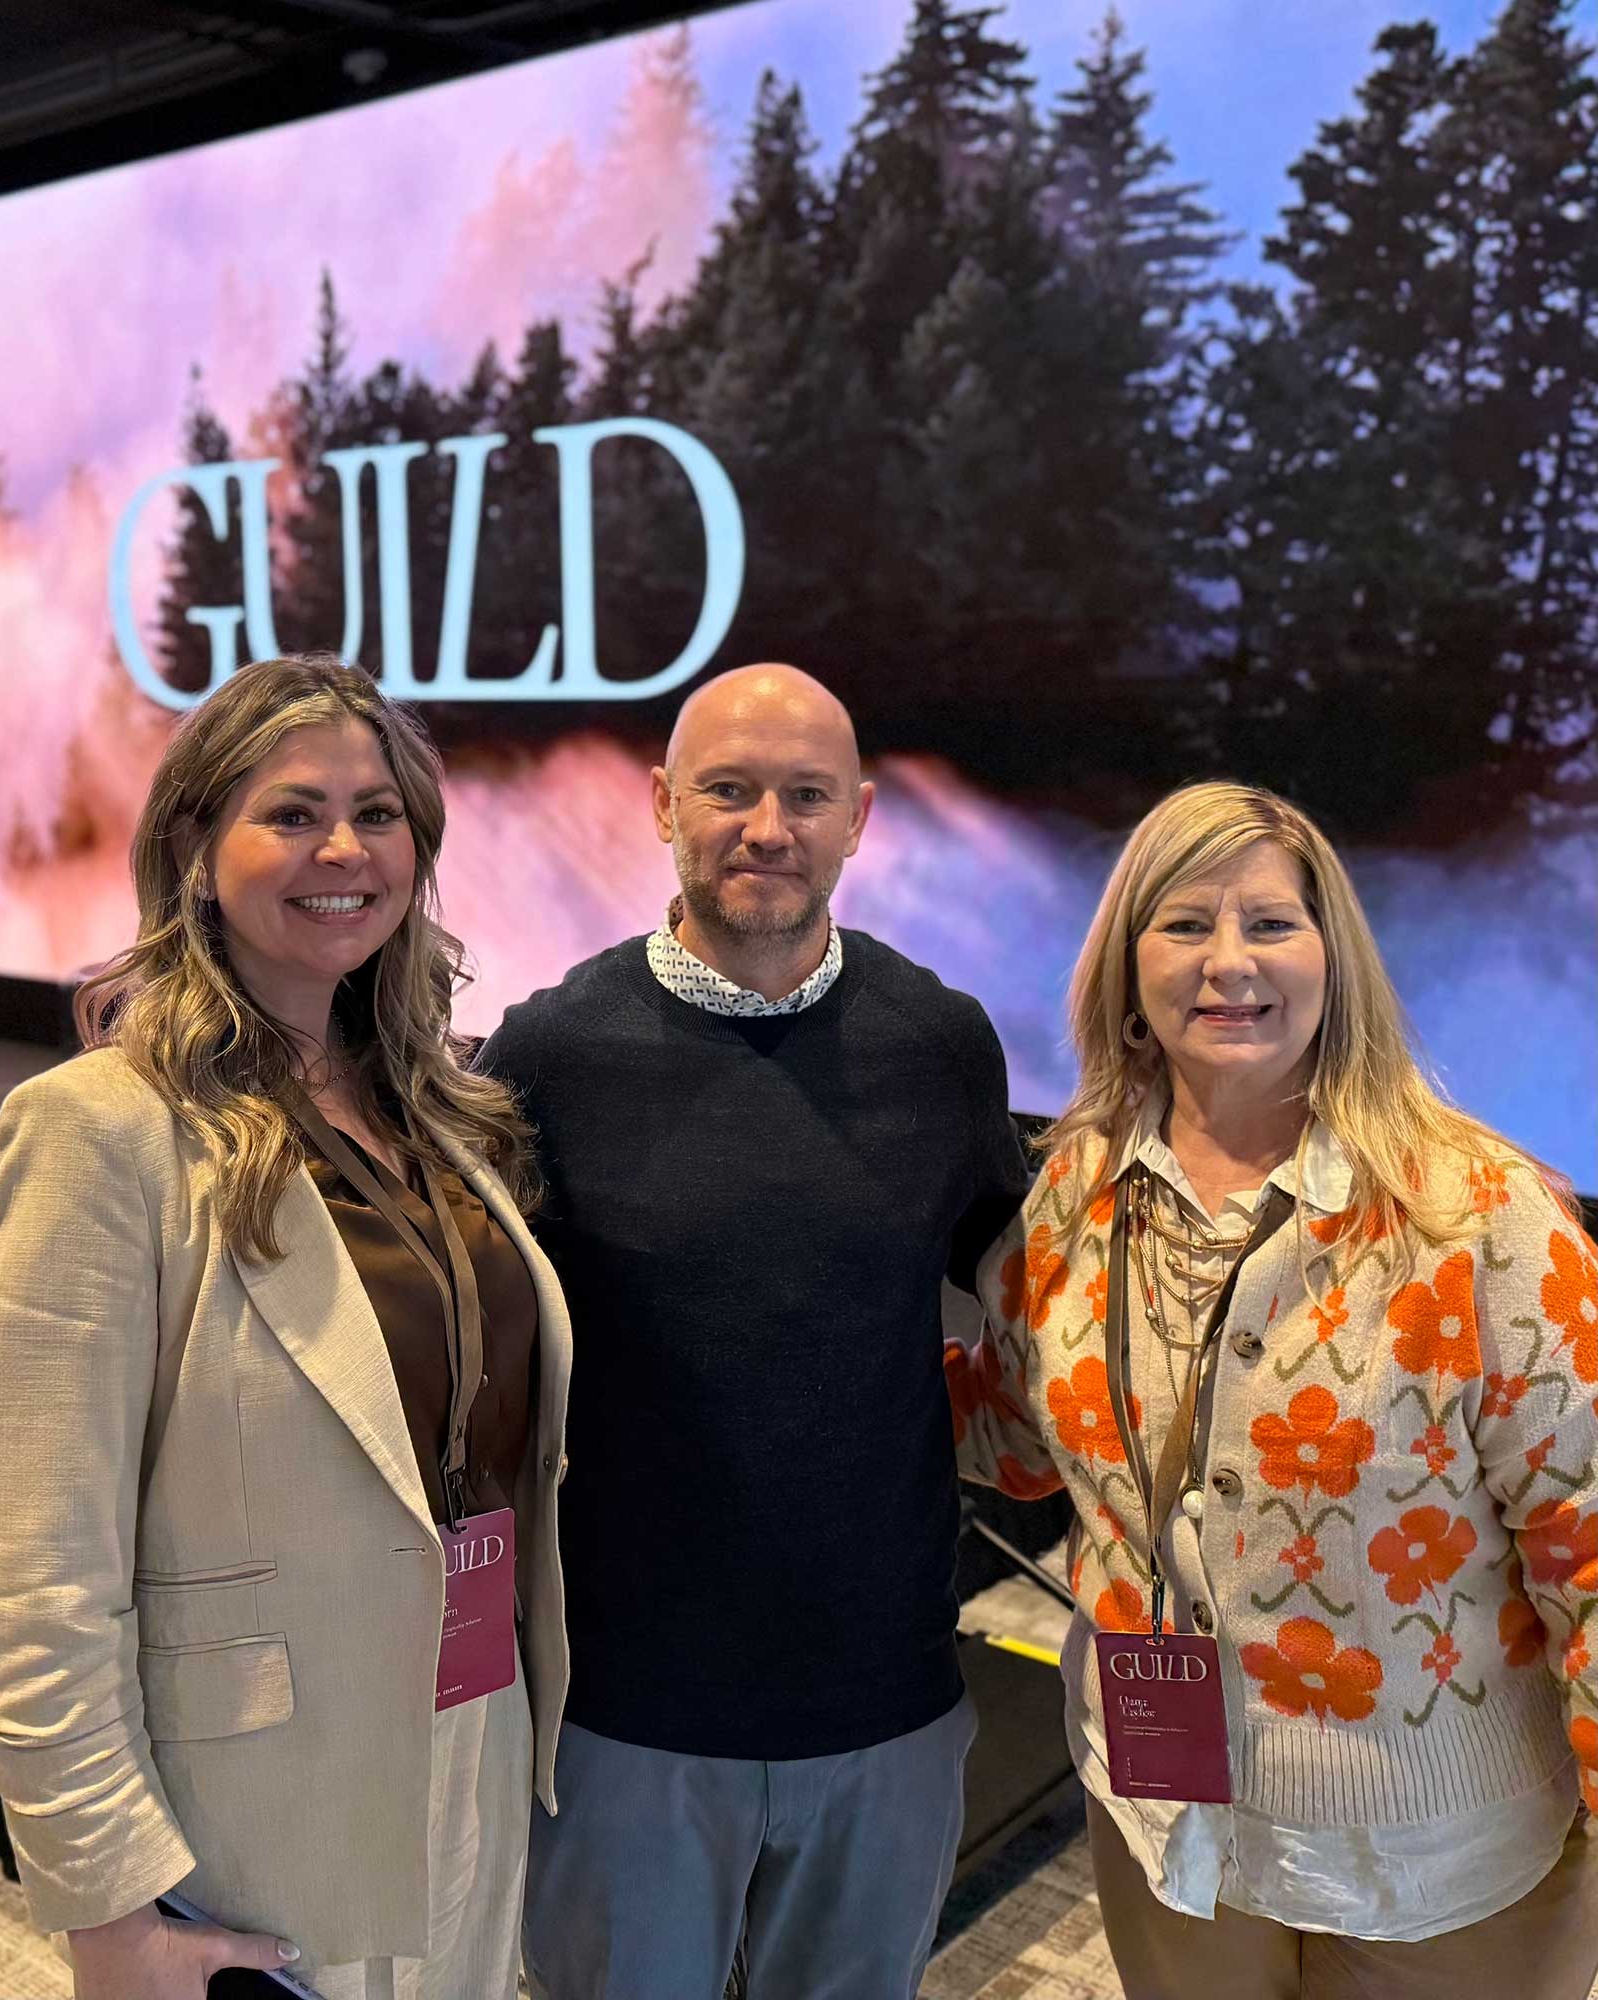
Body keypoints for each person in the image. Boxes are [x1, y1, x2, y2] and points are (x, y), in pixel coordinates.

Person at [0, 655, 573, 2000]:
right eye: (291, 813)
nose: (343, 849)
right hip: (255, 1811)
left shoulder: (444, 1111)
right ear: (193, 848)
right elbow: (40, 1570)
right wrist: (107, 1913)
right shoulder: (98, 1131)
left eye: (379, 813)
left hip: (472, 1726)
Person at [946, 780, 1598, 1998]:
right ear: (1126, 964)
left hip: (1436, 1870)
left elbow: (1590, 1548)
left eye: (1268, 922)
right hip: (1164, 1828)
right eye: (1183, 923)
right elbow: (1019, 1437)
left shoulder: (1483, 1222)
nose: (1225, 961)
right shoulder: (1074, 1191)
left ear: (1330, 954)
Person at [480, 663, 1030, 2000]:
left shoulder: (941, 1044)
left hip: (886, 1708)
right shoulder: (550, 1054)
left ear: (862, 817)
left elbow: (1037, 1294)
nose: (765, 828)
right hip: (626, 1723)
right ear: (664, 804)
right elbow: (471, 1361)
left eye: (805, 796)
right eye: (727, 791)